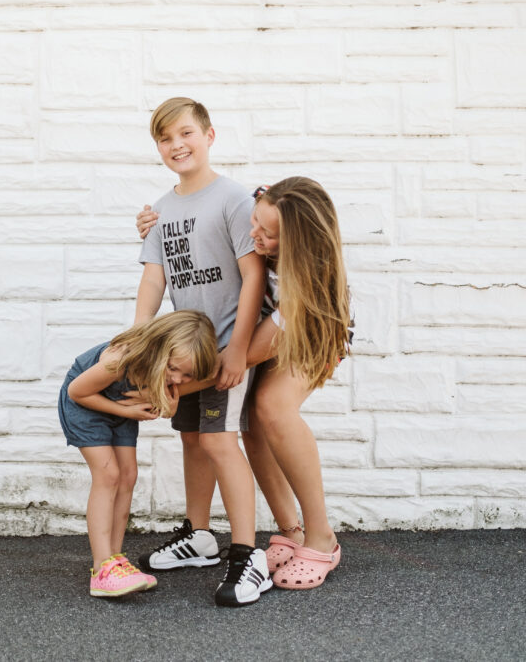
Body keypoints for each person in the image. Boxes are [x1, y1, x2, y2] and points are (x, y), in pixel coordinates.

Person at [137, 176, 352, 591]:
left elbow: (241, 358)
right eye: (256, 221)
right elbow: (203, 214)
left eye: (267, 235)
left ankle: (322, 537)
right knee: (252, 420)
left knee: (272, 406)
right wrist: (156, 222)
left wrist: (172, 390)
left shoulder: (307, 281)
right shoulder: (261, 202)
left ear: (297, 241)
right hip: (262, 320)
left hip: (312, 328)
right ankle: (291, 531)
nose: (254, 233)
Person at [133, 97, 271, 607]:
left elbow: (254, 274)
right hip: (185, 354)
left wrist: (238, 351)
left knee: (219, 442)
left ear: (209, 135)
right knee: (192, 438)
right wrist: (137, 345)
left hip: (227, 350)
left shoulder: (234, 198)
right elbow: (154, 278)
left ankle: (247, 554)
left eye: (186, 133)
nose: (177, 145)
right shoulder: (161, 210)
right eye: (166, 139)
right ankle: (200, 536)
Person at [59, 310, 218, 598]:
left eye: (187, 376)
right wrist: (126, 410)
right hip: (87, 405)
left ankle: (116, 559)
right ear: (160, 348)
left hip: (120, 408)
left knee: (128, 476)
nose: (179, 379)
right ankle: (101, 567)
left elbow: (167, 408)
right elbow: (77, 392)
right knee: (108, 475)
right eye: (174, 369)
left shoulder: (171, 367)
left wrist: (166, 401)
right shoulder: (120, 360)